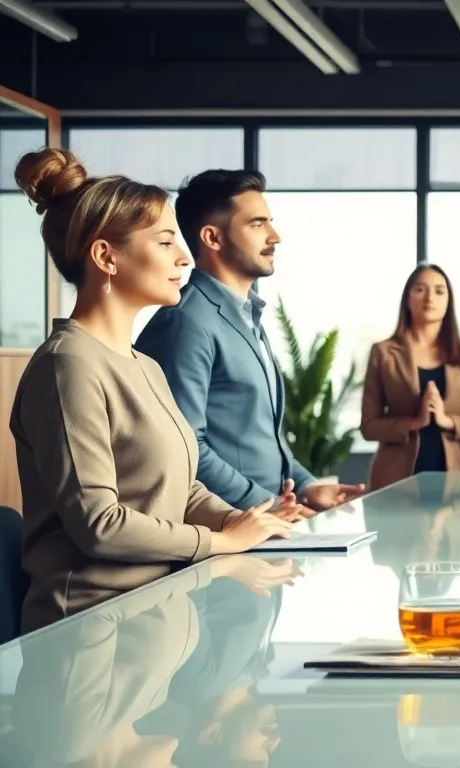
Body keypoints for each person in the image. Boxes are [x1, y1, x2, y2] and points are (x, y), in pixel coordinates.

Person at [8, 149, 297, 632]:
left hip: (156, 617)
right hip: (89, 636)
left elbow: (181, 490)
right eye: (165, 243)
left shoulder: (143, 364)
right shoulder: (69, 366)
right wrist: (220, 542)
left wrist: (240, 522)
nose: (184, 256)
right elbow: (100, 525)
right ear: (106, 256)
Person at [135, 169, 364, 514]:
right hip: (226, 528)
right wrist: (266, 505)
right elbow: (184, 448)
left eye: (269, 222)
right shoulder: (185, 321)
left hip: (266, 525)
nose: (275, 236)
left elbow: (262, 434)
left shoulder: (247, 315)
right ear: (213, 237)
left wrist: (306, 485)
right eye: (257, 224)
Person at [361, 265, 460, 490]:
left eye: (440, 291)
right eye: (420, 289)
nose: (430, 297)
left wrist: (446, 421)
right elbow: (368, 427)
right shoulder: (383, 353)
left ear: (449, 301)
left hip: (459, 487)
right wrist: (414, 423)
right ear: (407, 298)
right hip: (395, 484)